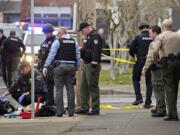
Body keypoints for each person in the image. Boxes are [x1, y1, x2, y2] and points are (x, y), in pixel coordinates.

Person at [43, 27, 80, 117]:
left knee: (59, 90)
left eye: (57, 34)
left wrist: (46, 66)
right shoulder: (74, 41)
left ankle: (59, 112)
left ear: (60, 33)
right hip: (71, 67)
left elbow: (52, 54)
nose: (56, 35)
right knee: (70, 89)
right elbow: (78, 54)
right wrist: (77, 66)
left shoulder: (57, 42)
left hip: (59, 67)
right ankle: (71, 112)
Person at [152, 19, 180, 121]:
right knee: (175, 87)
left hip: (167, 63)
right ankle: (173, 112)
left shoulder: (161, 36)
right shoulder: (178, 35)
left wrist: (156, 62)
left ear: (163, 26)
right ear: (171, 26)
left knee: (169, 88)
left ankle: (172, 114)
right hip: (178, 62)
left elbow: (154, 50)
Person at [75, 21, 102, 115]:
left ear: (86, 28)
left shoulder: (95, 37)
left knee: (92, 86)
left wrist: (94, 65)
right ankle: (84, 107)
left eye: (82, 31)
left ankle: (95, 108)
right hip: (86, 64)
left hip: (92, 65)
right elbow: (85, 50)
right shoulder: (88, 37)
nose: (82, 33)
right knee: (83, 86)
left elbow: (96, 52)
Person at [142, 25, 166, 117]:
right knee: (160, 88)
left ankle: (161, 109)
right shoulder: (164, 40)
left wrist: (144, 69)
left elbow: (150, 57)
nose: (149, 35)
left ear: (155, 33)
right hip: (163, 67)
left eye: (150, 33)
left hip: (156, 68)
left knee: (158, 89)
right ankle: (159, 106)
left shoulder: (154, 43)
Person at [129, 22, 153, 108]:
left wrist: (134, 55)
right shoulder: (152, 37)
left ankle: (139, 98)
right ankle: (148, 102)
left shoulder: (138, 37)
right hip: (150, 61)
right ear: (148, 28)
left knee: (135, 78)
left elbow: (131, 49)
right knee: (149, 81)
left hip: (140, 61)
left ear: (140, 28)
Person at [37, 23, 56, 106]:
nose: (45, 34)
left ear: (51, 32)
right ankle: (49, 101)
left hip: (50, 67)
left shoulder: (54, 41)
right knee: (45, 86)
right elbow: (41, 53)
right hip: (43, 66)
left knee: (49, 86)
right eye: (45, 33)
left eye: (47, 33)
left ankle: (50, 102)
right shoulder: (45, 41)